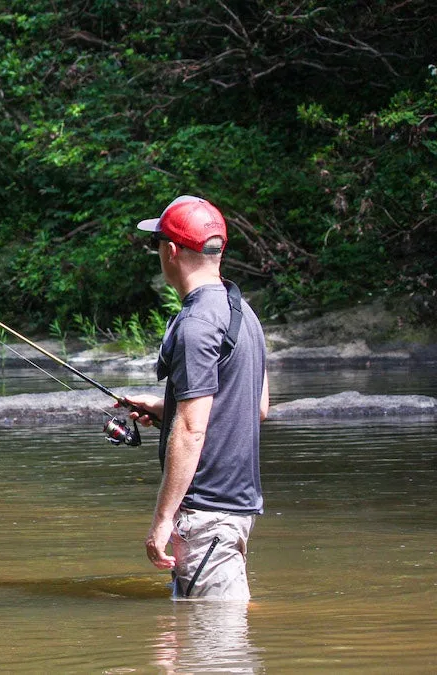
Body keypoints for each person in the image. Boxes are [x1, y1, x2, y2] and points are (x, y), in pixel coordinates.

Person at [124, 195, 269, 601]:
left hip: (205, 512)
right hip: (236, 506)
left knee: (215, 639)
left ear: (171, 251)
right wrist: (164, 408)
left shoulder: (195, 326)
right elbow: (255, 408)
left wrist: (162, 520)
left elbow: (191, 430)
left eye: (158, 245)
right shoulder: (243, 312)